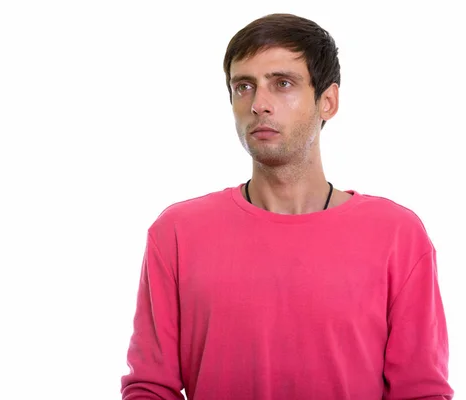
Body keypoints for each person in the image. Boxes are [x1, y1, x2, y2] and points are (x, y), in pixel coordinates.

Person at [120, 13, 453, 400]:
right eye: (244, 86)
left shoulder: (398, 235)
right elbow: (148, 388)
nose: (259, 104)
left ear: (327, 101)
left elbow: (421, 392)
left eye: (282, 84)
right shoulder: (176, 232)